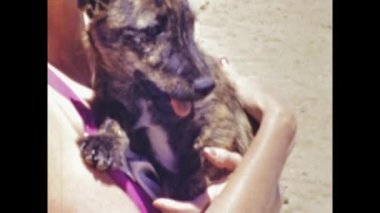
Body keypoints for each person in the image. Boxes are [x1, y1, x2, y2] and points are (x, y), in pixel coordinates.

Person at [48, 0, 297, 212]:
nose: (202, 77)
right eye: (154, 32)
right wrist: (279, 124)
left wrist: (252, 186)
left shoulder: (117, 60)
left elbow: (268, 194)